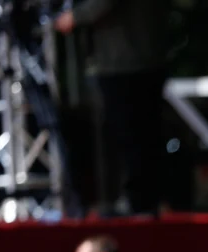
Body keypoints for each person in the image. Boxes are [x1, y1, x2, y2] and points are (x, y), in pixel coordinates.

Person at [55, 0, 169, 216]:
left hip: (127, 61)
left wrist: (75, 16)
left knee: (132, 135)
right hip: (135, 59)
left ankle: (138, 201)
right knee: (139, 135)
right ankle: (141, 200)